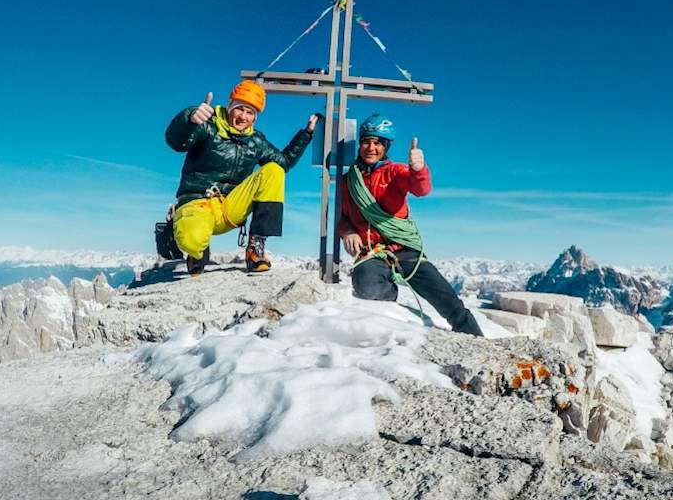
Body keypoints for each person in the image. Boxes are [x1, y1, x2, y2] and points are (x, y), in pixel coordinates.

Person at [338, 114, 483, 336]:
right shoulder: (349, 181)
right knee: (366, 286)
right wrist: (347, 231)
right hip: (372, 253)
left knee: (449, 301)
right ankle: (395, 316)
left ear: (386, 146)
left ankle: (478, 341)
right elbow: (343, 215)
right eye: (366, 141)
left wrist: (418, 169)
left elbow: (420, 189)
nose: (371, 147)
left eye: (377, 142)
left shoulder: (395, 172)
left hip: (405, 250)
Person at [165, 80, 316, 274]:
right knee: (192, 240)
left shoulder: (256, 141)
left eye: (250, 112)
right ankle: (196, 249)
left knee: (274, 170)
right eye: (240, 109)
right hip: (197, 203)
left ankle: (256, 246)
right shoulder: (208, 126)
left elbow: (284, 162)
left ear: (255, 118)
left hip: (230, 206)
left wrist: (306, 134)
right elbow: (177, 142)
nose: (243, 116)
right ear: (230, 107)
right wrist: (190, 118)